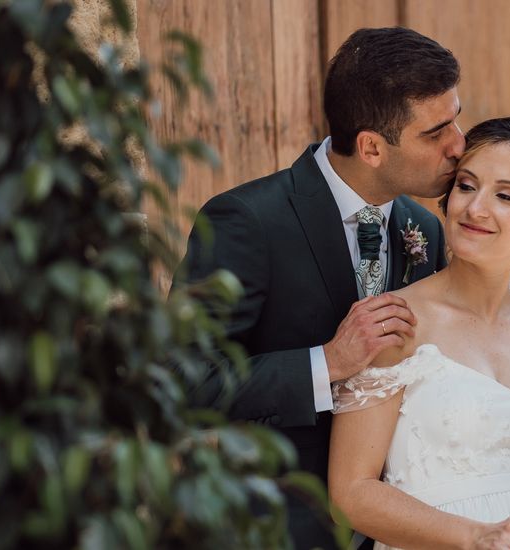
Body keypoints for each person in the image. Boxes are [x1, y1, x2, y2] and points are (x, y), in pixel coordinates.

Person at [176, 27, 463, 549]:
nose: (458, 145)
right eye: (435, 132)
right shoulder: (247, 221)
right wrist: (327, 362)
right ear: (372, 147)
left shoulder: (427, 229)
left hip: (410, 526)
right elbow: (181, 383)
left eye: (456, 118)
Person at [328, 117, 510, 549]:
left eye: (506, 196)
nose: (475, 208)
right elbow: (351, 494)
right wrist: (478, 536)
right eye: (466, 186)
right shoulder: (396, 323)